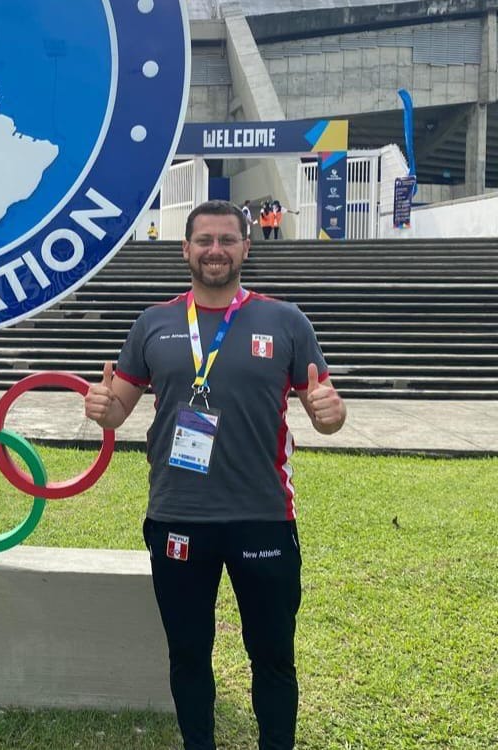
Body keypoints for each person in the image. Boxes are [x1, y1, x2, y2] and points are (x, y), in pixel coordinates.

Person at [84, 199, 345, 750]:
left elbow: (324, 407)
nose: (216, 250)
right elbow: (119, 408)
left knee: (273, 655)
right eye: (204, 240)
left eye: (228, 239)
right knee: (188, 653)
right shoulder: (154, 323)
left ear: (247, 248)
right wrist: (102, 406)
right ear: (185, 249)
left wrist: (331, 414)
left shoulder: (285, 320)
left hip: (264, 518)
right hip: (179, 517)